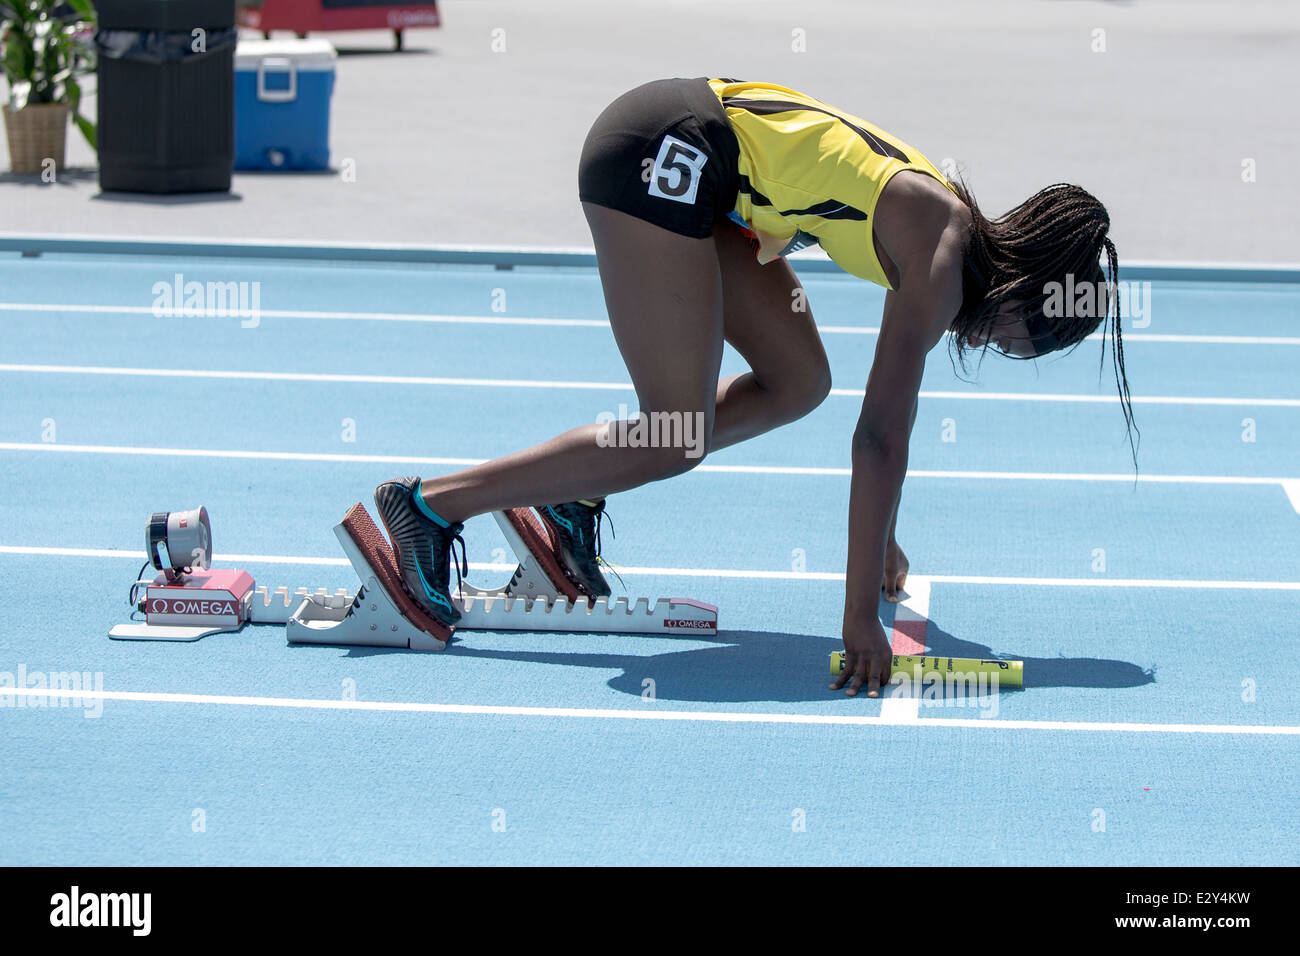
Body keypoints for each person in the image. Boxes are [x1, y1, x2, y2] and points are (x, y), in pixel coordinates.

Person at [374, 77, 1135, 698]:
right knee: (676, 434)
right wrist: (858, 619)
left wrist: (884, 541)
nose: (988, 344)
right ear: (1023, 291)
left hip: (710, 178)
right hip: (663, 148)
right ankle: (429, 507)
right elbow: (879, 438)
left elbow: (888, 423)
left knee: (799, 380)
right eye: (1009, 338)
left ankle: (571, 498)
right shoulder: (941, 261)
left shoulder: (950, 238)